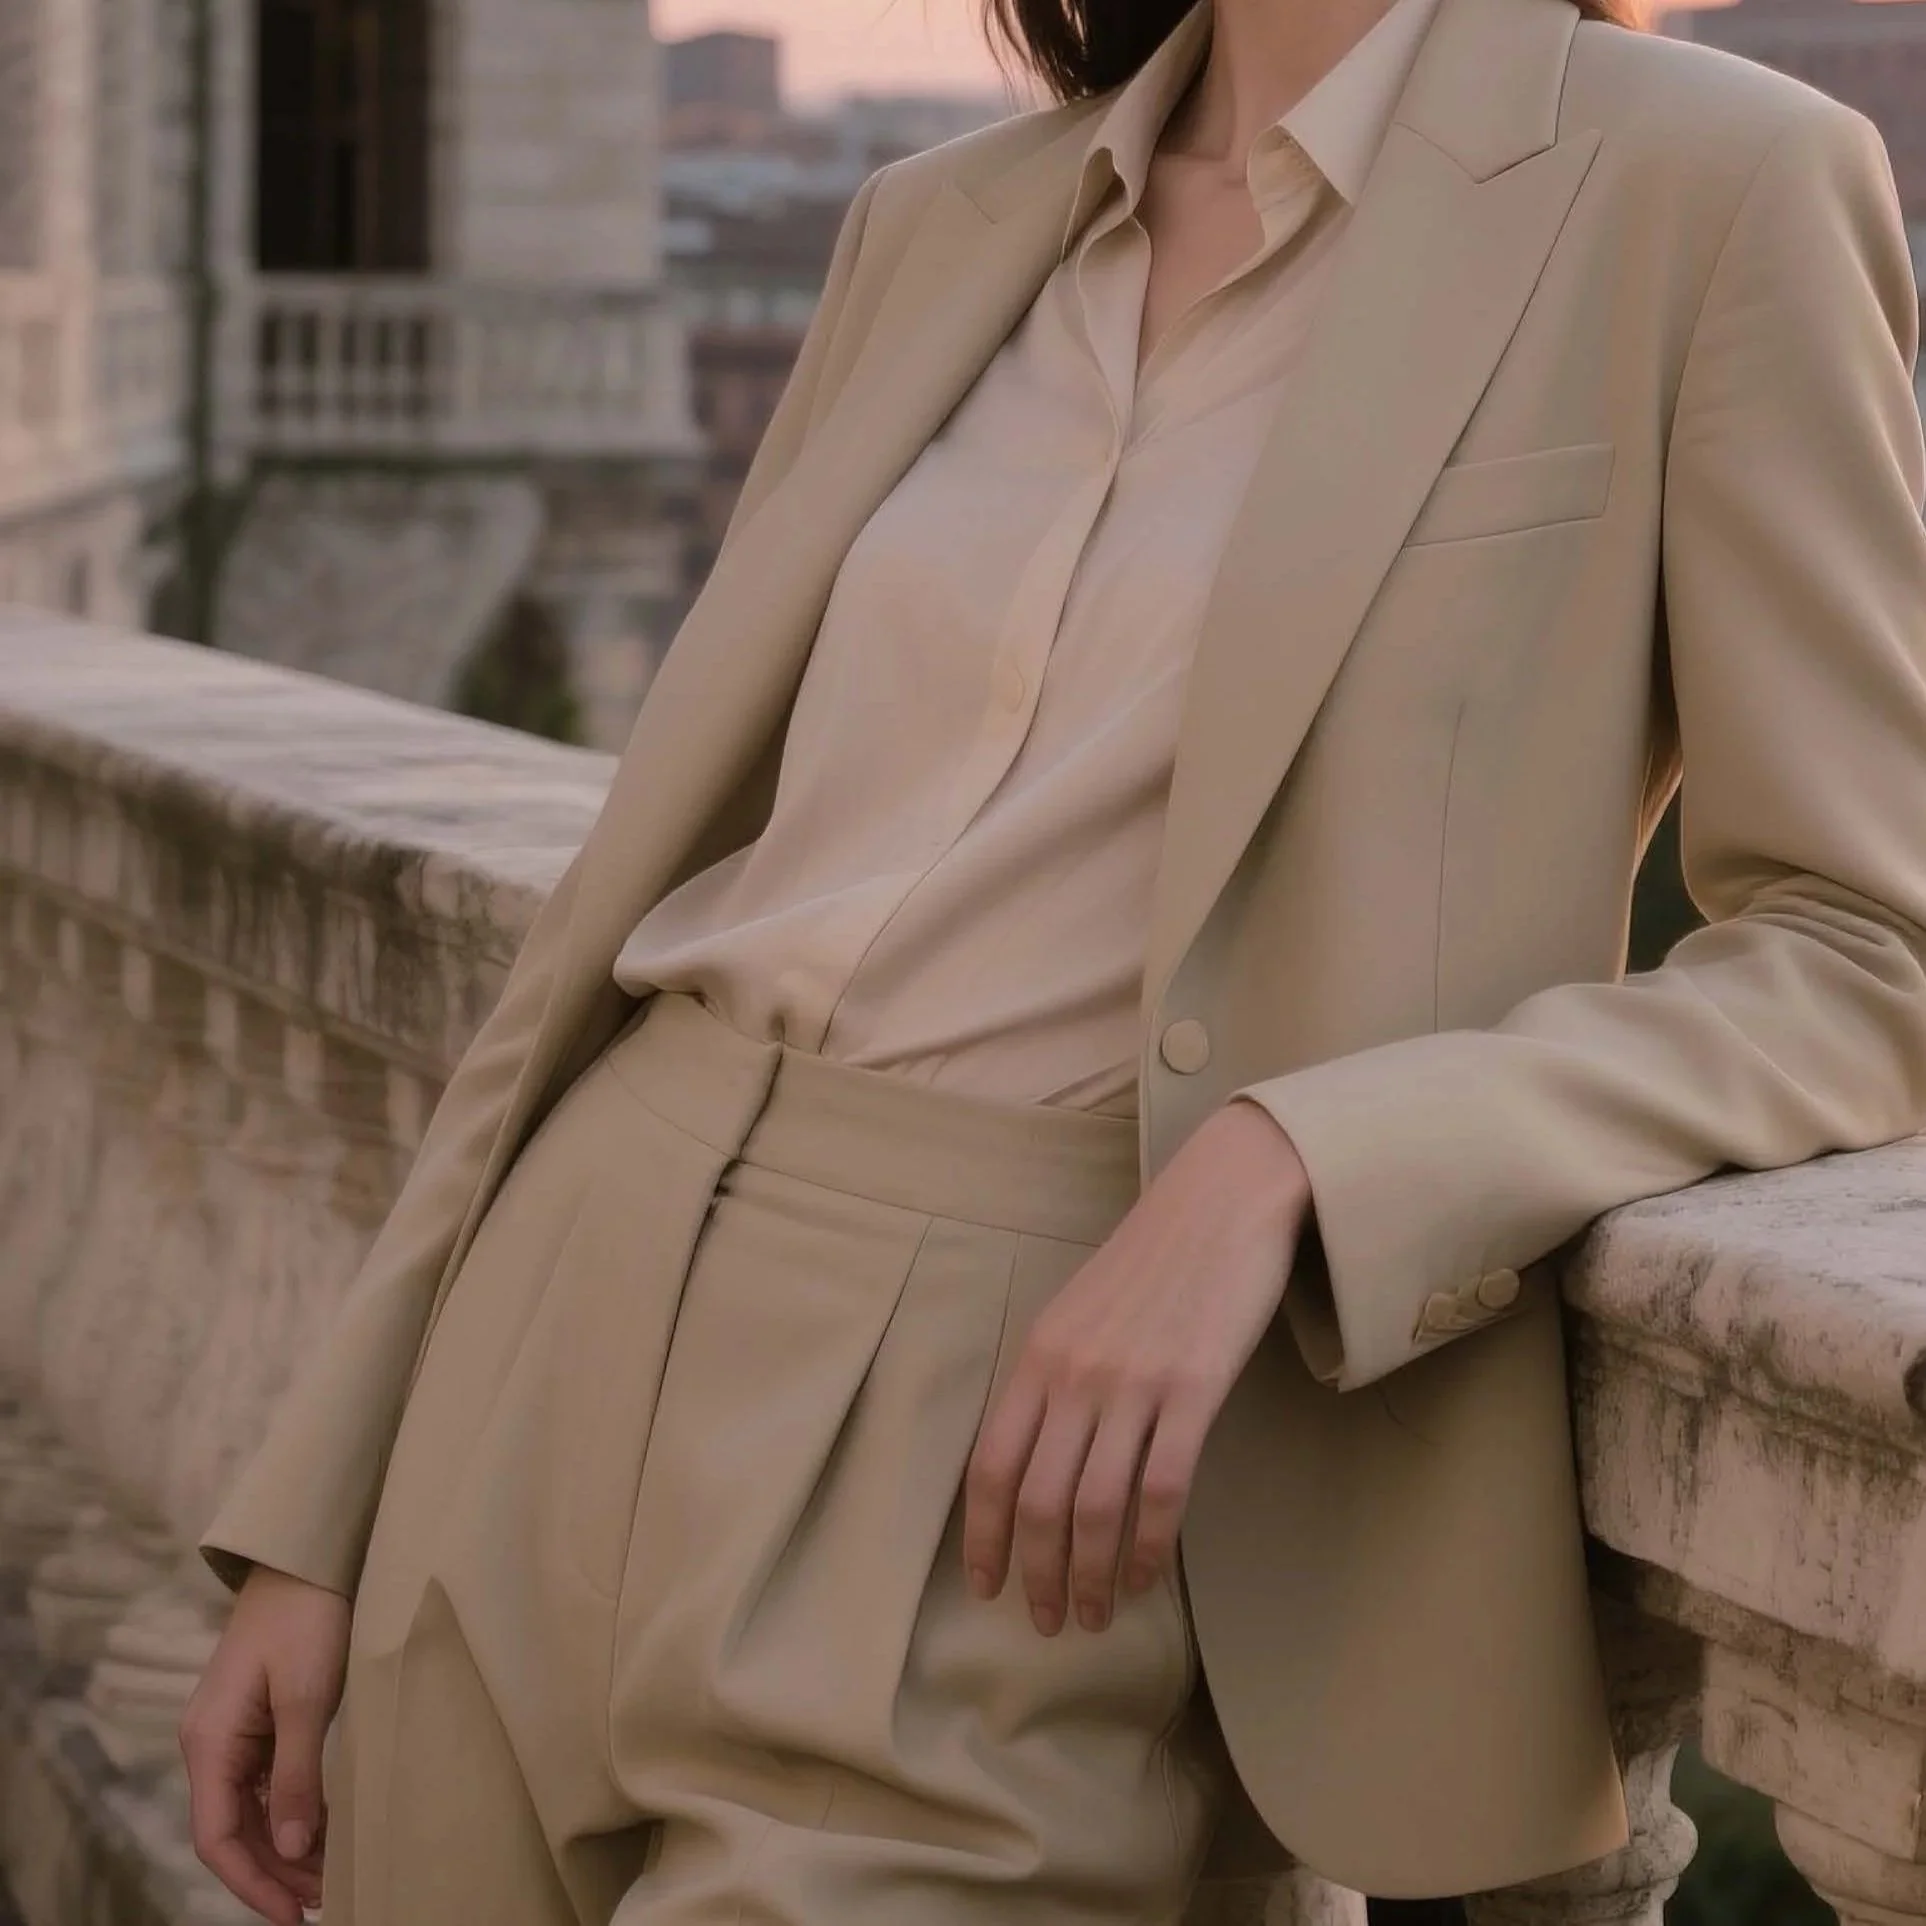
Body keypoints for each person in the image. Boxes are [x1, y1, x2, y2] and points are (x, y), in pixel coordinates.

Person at [180, 0, 1926, 1914]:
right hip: (555, 1346)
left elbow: (1865, 948)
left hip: (1027, 1469)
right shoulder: (940, 218)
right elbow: (627, 904)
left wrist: (1305, 1156)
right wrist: (325, 1503)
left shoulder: (1713, 182)